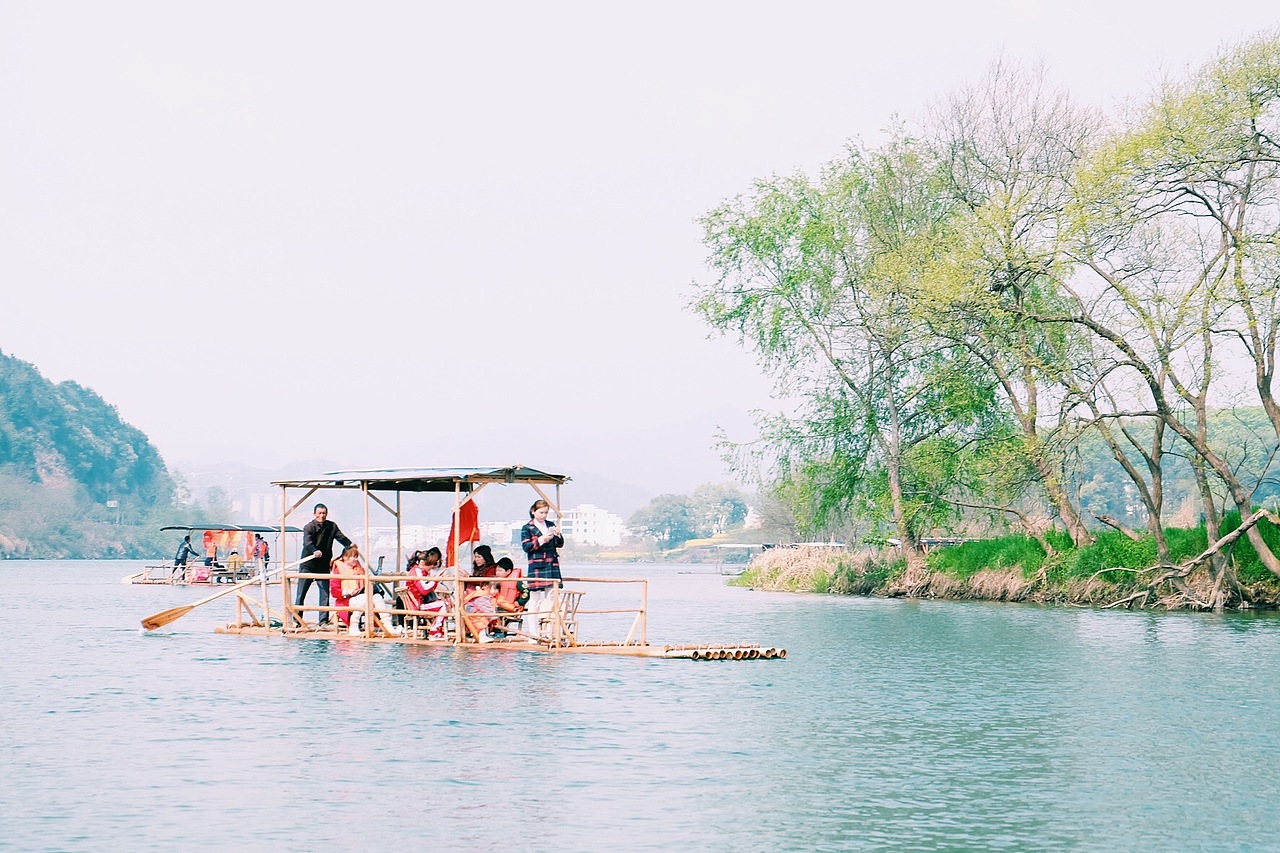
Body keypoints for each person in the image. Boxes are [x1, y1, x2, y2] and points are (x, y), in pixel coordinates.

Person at [295, 503, 352, 627]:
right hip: (308, 565)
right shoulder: (309, 527)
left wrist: (350, 545)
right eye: (319, 513)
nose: (322, 515)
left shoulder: (331, 526)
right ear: (315, 514)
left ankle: (323, 621)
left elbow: (341, 538)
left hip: (323, 565)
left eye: (324, 513)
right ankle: (297, 621)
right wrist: (314, 550)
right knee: (301, 593)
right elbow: (307, 543)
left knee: (324, 593)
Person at [329, 545, 387, 636]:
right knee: (363, 598)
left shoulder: (359, 569)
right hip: (346, 600)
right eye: (353, 557)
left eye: (357, 557)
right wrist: (348, 591)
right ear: (345, 557)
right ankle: (353, 626)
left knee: (378, 597)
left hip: (362, 596)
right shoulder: (338, 570)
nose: (356, 559)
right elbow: (334, 591)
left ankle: (387, 624)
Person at [521, 499, 564, 594]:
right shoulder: (527, 528)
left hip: (552, 563)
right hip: (537, 564)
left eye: (546, 513)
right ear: (533, 511)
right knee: (535, 596)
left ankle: (550, 609)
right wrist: (541, 540)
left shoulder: (550, 525)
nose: (543, 515)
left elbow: (560, 544)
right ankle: (535, 610)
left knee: (552, 595)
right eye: (541, 512)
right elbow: (526, 547)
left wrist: (558, 535)